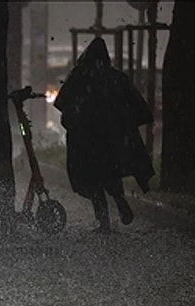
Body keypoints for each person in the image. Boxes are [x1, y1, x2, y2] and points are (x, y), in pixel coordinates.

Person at [53, 37, 155, 233]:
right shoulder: (116, 77)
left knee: (92, 180)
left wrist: (75, 121)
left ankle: (104, 222)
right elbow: (137, 106)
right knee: (109, 173)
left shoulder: (79, 76)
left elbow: (63, 103)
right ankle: (120, 200)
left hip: (85, 139)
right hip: (110, 139)